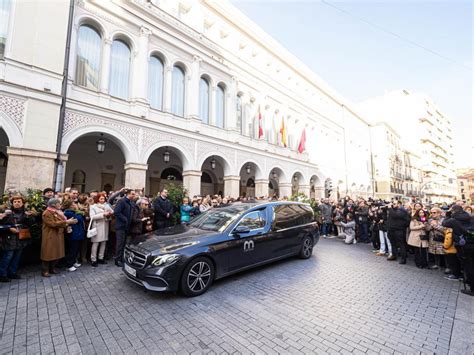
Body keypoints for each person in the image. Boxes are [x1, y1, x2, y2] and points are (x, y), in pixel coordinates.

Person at [0, 195, 35, 282]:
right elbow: (1, 226)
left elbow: (30, 224)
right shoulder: (6, 212)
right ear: (12, 203)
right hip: (9, 238)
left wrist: (29, 217)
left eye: (19, 201)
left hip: (21, 238)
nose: (17, 203)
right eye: (15, 202)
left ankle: (12, 273)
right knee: (7, 257)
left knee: (17, 256)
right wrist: (9, 228)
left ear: (23, 203)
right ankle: (2, 275)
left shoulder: (25, 213)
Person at [41, 198, 77, 277]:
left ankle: (52, 268)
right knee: (48, 253)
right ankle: (45, 270)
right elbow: (52, 224)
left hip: (58, 235)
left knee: (56, 253)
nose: (60, 205)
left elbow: (61, 222)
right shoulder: (47, 213)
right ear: (53, 205)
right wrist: (67, 222)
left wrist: (67, 223)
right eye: (59, 204)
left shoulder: (58, 212)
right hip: (50, 236)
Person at [443, 205, 474, 296]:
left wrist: (448, 214)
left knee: (468, 267)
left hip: (463, 246)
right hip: (472, 243)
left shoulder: (453, 220)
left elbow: (444, 223)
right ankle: (469, 282)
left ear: (453, 211)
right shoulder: (471, 218)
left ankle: (472, 288)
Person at [89, 193, 114, 267]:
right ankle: (93, 259)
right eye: (101, 199)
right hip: (97, 226)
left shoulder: (106, 206)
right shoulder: (93, 206)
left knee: (103, 242)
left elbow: (112, 212)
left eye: (104, 199)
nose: (103, 200)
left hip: (105, 225)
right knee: (96, 243)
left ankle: (101, 257)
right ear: (97, 199)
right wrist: (103, 214)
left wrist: (109, 214)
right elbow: (92, 217)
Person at [113, 189, 136, 267]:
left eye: (134, 194)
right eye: (132, 194)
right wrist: (125, 219)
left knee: (123, 243)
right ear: (128, 194)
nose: (134, 196)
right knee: (119, 244)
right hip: (120, 226)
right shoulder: (121, 201)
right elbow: (116, 212)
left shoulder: (130, 202)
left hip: (126, 226)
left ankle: (121, 258)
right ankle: (117, 260)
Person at [63, 200, 85, 272]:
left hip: (78, 233)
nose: (75, 205)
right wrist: (79, 212)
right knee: (72, 250)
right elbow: (78, 219)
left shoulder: (74, 212)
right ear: (70, 206)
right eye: (73, 204)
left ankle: (74, 262)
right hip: (73, 234)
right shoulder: (68, 213)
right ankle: (69, 265)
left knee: (76, 249)